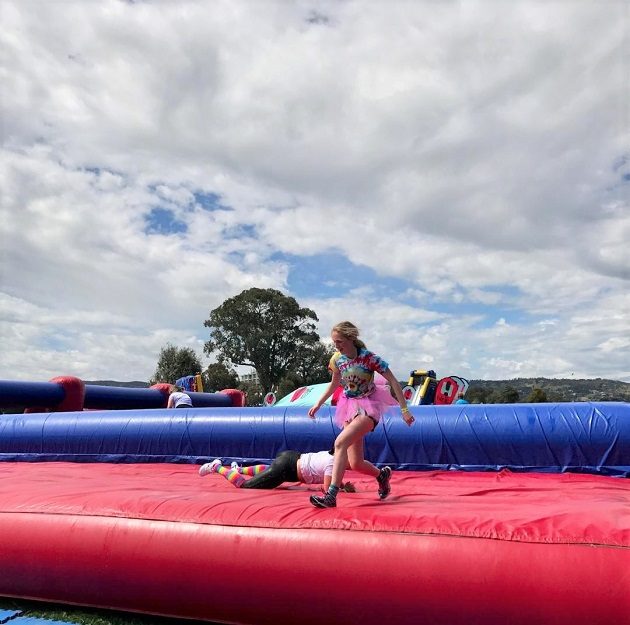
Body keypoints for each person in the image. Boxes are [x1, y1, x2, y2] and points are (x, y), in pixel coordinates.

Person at [307, 321, 414, 509]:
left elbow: (395, 383)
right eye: (334, 342)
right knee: (355, 463)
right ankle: (382, 475)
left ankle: (331, 495)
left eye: (339, 341)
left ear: (351, 338)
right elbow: (334, 384)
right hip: (349, 406)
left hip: (369, 406)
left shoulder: (369, 358)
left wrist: (404, 410)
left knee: (340, 443)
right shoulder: (337, 359)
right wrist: (318, 403)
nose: (336, 346)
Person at [198, 450, 355, 492]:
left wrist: (342, 485)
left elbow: (333, 478)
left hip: (291, 457)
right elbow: (327, 489)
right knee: (244, 486)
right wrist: (340, 488)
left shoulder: (330, 455)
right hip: (286, 469)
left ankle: (238, 469)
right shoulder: (333, 464)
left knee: (270, 470)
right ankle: (216, 466)